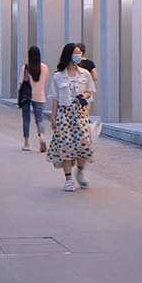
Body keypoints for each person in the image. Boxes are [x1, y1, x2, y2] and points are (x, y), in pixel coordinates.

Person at [47, 42, 96, 191]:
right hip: (64, 114)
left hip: (80, 114)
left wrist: (86, 107)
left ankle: (80, 171)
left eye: (79, 52)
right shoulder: (58, 76)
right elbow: (55, 98)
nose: (78, 55)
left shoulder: (85, 74)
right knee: (65, 147)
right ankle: (68, 179)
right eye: (75, 52)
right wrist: (53, 117)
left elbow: (90, 93)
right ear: (68, 54)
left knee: (84, 144)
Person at [17, 45, 47, 153]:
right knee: (39, 119)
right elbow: (44, 80)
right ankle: (42, 137)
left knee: (26, 119)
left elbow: (21, 82)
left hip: (27, 96)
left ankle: (26, 143)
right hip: (40, 96)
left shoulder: (25, 67)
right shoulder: (44, 67)